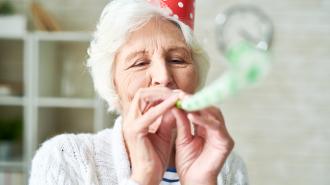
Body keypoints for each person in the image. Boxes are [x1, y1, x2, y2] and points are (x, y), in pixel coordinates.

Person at [29, 0, 248, 184]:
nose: (163, 77)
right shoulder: (65, 158)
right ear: (112, 82)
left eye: (177, 60)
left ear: (197, 76)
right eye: (139, 63)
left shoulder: (227, 167)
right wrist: (144, 176)